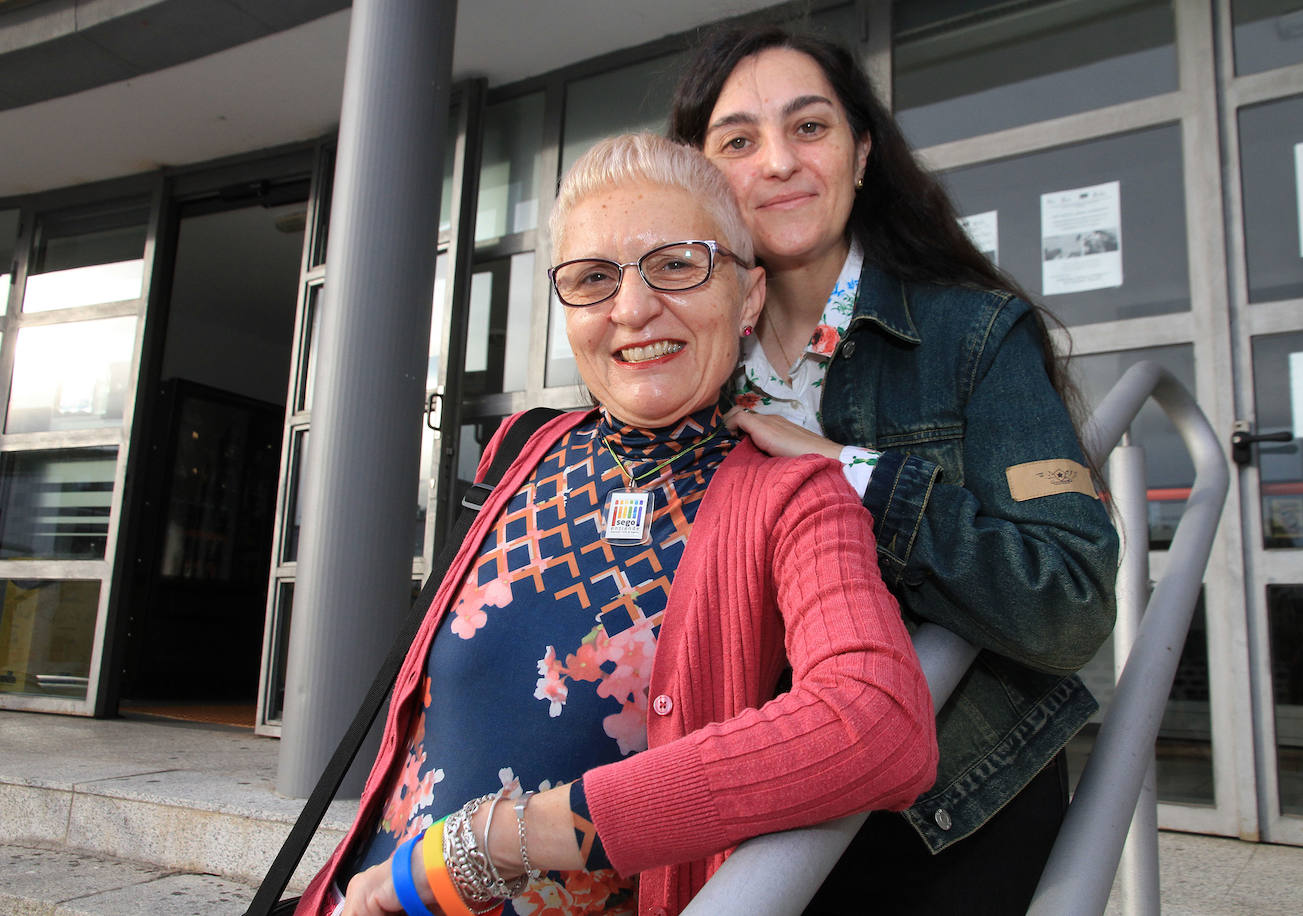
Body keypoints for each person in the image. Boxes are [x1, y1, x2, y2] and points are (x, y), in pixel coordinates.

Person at [296, 132, 937, 916]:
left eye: (677, 264)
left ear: (750, 297)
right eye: (594, 278)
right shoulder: (522, 449)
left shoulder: (792, 498)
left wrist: (505, 840)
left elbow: (877, 724)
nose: (632, 309)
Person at [668, 25, 1120, 914]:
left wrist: (851, 471)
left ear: (861, 152)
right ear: (701, 176)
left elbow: (1067, 602)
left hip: (939, 817)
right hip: (730, 801)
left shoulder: (973, 335)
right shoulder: (685, 355)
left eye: (810, 128)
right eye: (738, 141)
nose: (778, 164)